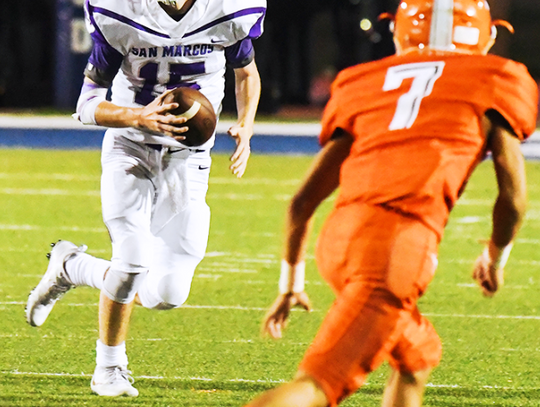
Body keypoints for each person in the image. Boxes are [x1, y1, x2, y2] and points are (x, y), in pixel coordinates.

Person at [245, 1, 538, 406]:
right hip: (395, 250)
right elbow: (514, 197)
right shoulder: (497, 79)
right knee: (315, 386)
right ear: (487, 36)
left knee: (417, 357)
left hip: (338, 240)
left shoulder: (364, 80)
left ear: (398, 33)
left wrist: (291, 284)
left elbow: (302, 201)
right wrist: (495, 256)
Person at [25, 0, 265, 398]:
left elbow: (247, 72)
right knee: (132, 260)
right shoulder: (121, 10)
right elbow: (85, 105)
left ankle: (72, 265)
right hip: (130, 149)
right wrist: (137, 117)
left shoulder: (228, 9)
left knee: (168, 294)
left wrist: (246, 125)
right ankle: (109, 367)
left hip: (189, 159)